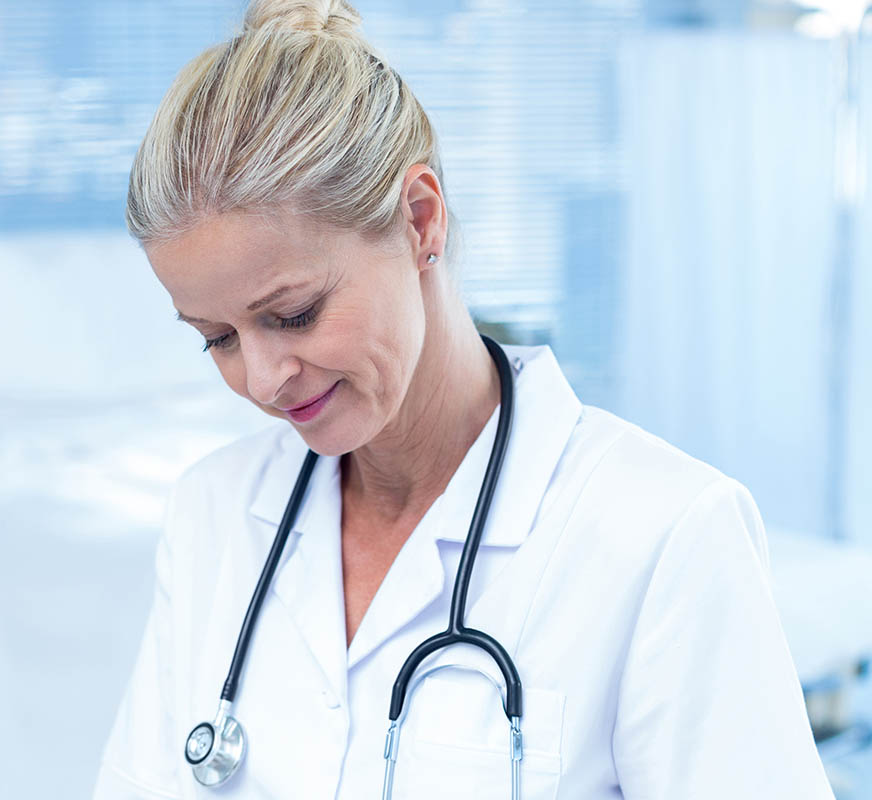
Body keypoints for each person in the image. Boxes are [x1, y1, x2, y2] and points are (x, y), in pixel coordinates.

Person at [93, 1, 835, 797]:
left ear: (419, 220)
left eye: (293, 315)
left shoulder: (664, 538)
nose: (265, 378)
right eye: (219, 338)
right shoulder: (214, 515)